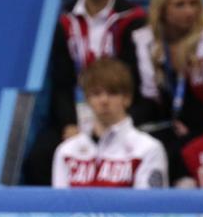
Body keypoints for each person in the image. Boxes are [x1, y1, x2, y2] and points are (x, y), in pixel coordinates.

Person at [22, 0, 147, 185]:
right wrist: (69, 124)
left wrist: (120, 120)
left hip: (120, 113)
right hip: (77, 115)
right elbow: (62, 82)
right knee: (39, 157)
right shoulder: (64, 21)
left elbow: (138, 81)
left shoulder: (134, 20)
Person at [121, 0, 203, 184]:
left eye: (193, 3)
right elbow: (147, 98)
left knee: (179, 152)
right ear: (162, 9)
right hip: (163, 123)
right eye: (180, 5)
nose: (190, 12)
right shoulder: (144, 39)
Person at [52, 58, 167, 188]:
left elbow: (148, 206)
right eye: (96, 93)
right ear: (87, 99)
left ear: (127, 98)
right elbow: (60, 205)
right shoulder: (66, 152)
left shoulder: (148, 149)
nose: (104, 100)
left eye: (112, 93)